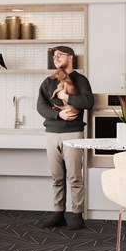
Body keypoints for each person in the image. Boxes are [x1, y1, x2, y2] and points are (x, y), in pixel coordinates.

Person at [36, 45, 94, 230]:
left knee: (75, 177)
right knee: (57, 177)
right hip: (52, 133)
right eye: (54, 57)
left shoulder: (81, 79)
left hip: (73, 134)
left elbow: (88, 102)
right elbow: (40, 106)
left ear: (70, 57)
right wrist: (58, 115)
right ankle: (58, 214)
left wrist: (66, 95)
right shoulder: (48, 81)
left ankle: (77, 215)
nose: (56, 59)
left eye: (59, 55)